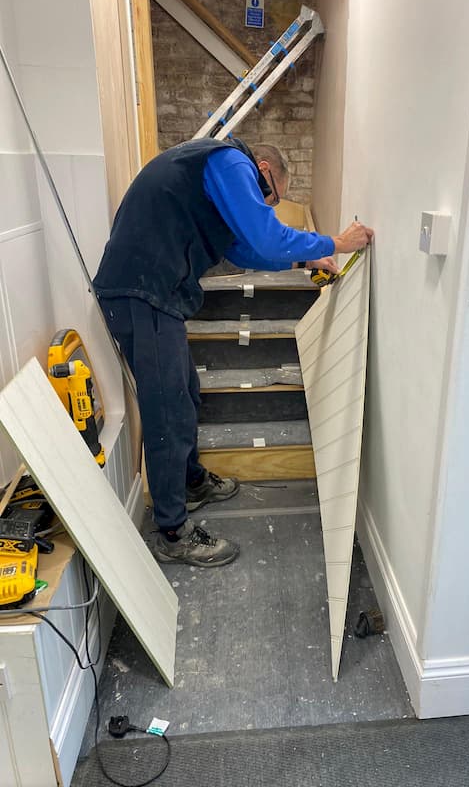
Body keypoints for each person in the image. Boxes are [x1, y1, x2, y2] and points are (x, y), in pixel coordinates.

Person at [93, 137, 373, 568]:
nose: (269, 203)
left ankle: (190, 482)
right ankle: (172, 533)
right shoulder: (228, 162)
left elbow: (241, 249)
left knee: (184, 391)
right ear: (263, 169)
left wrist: (304, 262)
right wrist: (333, 242)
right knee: (166, 408)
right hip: (141, 291)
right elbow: (263, 238)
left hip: (152, 291)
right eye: (272, 196)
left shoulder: (216, 173)